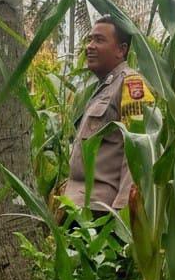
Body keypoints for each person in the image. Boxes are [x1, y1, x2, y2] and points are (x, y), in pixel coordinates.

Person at [64, 15, 154, 219]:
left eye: (99, 40)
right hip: (78, 206)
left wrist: (123, 212)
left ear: (121, 50)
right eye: (90, 40)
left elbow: (138, 151)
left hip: (101, 211)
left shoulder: (131, 84)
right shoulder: (102, 88)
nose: (90, 46)